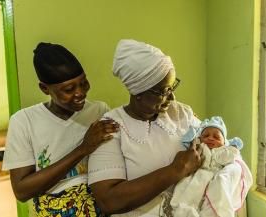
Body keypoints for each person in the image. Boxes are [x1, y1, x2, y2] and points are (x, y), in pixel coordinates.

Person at [87, 39, 203, 216]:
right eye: (163, 91)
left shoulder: (181, 113)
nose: (172, 98)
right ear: (138, 92)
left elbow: (212, 147)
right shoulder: (111, 128)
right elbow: (108, 201)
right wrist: (176, 170)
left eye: (172, 87)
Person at [2, 42, 119, 216]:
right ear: (44, 88)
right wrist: (83, 149)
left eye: (84, 83)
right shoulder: (24, 121)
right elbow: (22, 191)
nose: (80, 93)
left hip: (100, 202)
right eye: (69, 89)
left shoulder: (99, 111)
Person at [170, 116, 253, 217]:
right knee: (186, 198)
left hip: (212, 179)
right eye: (206, 135)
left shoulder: (222, 150)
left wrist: (231, 148)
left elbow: (231, 157)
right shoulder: (199, 147)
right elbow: (188, 142)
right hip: (196, 177)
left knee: (211, 203)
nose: (210, 138)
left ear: (224, 142)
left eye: (216, 137)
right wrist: (196, 132)